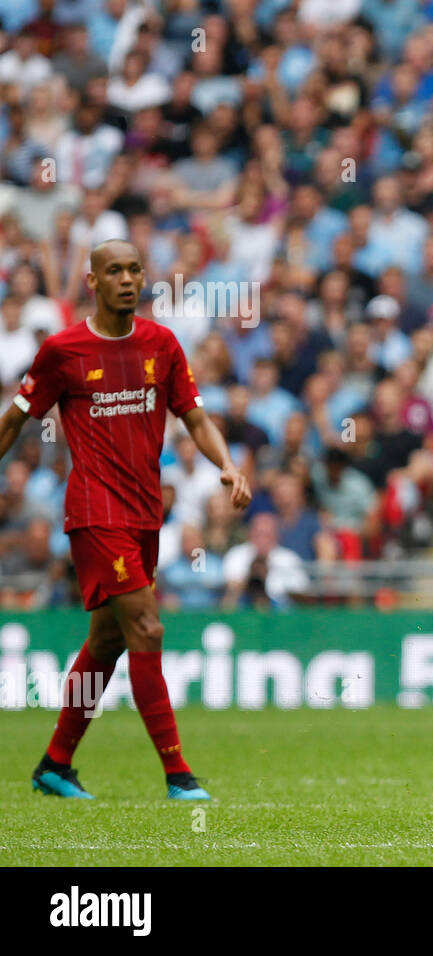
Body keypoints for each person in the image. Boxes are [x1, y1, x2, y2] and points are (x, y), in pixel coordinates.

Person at [0, 239, 251, 801]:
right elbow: (17, 419)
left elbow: (195, 415)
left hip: (143, 514)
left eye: (135, 269)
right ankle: (178, 773)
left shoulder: (161, 344)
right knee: (147, 627)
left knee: (108, 640)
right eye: (114, 270)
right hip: (95, 511)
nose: (127, 279)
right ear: (92, 281)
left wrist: (229, 464)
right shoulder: (62, 351)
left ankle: (55, 763)